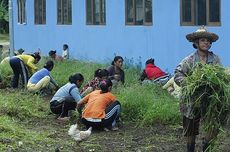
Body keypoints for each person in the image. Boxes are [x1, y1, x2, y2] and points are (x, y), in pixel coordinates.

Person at [174, 26, 221, 152]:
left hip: (210, 99)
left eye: (208, 41)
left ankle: (207, 148)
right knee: (190, 130)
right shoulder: (189, 60)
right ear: (196, 43)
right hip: (191, 100)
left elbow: (220, 77)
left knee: (212, 127)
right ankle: (190, 149)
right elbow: (178, 74)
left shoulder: (215, 60)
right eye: (203, 40)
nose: (206, 43)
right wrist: (189, 83)